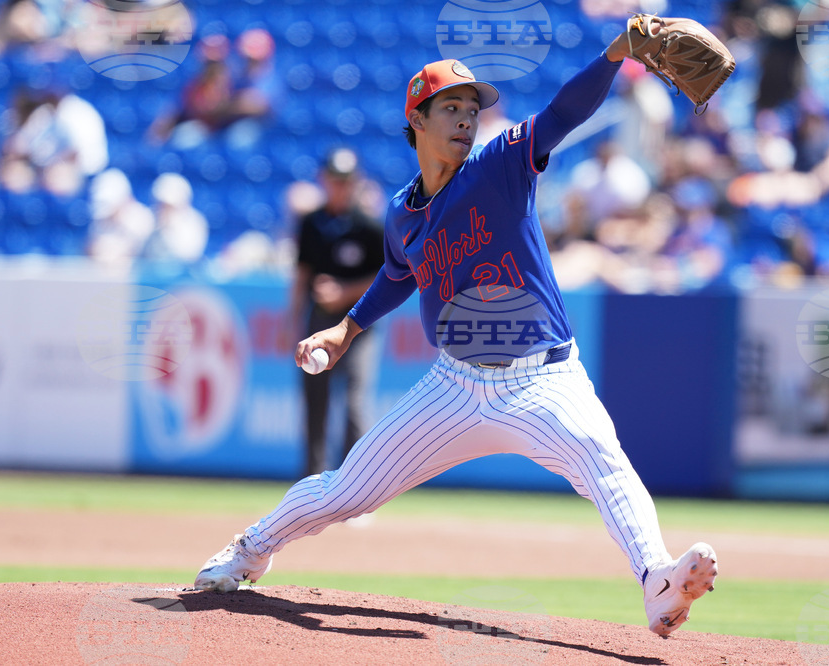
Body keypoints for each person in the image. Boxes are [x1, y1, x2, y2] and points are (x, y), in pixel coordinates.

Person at [194, 34, 719, 639]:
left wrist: (613, 55)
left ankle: (658, 583)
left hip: (544, 380)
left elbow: (564, 114)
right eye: (452, 108)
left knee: (605, 467)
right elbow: (398, 275)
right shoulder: (401, 212)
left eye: (473, 109)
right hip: (455, 385)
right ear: (416, 119)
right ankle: (250, 548)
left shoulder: (500, 165)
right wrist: (347, 327)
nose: (467, 120)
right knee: (348, 491)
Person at [286, 148, 385, 477]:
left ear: (356, 183)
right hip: (320, 320)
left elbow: (388, 278)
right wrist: (290, 320)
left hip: (360, 323)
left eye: (346, 181)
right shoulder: (312, 223)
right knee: (315, 400)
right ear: (323, 180)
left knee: (355, 401)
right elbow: (302, 273)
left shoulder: (369, 226)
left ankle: (354, 485)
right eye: (334, 180)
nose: (340, 186)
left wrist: (345, 291)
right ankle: (310, 483)